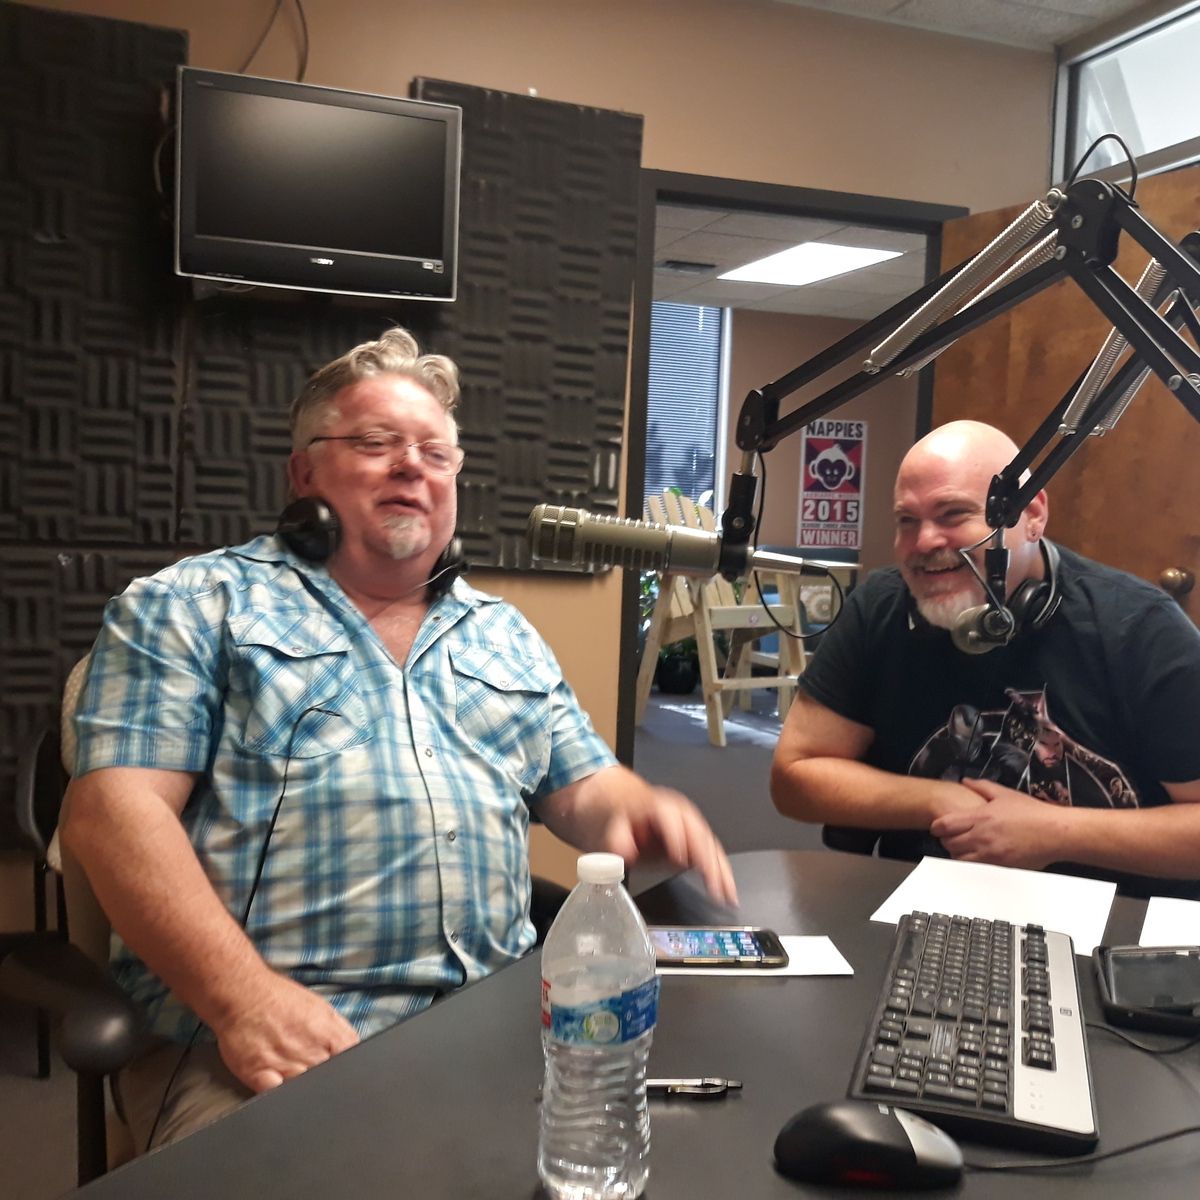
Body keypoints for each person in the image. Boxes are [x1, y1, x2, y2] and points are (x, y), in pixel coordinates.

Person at [61, 326, 737, 1150]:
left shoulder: (504, 634)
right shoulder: (193, 606)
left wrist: (642, 808)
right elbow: (112, 816)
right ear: (304, 475)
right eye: (376, 443)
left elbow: (587, 788)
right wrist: (243, 1002)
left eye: (435, 452)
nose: (412, 466)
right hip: (272, 1040)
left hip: (501, 1031)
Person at [771, 419, 1200, 896]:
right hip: (926, 911)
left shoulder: (1138, 628)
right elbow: (796, 774)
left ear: (1032, 514)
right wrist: (940, 799)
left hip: (1108, 922)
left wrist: (1055, 832)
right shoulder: (881, 608)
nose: (924, 542)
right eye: (907, 521)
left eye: (953, 514)